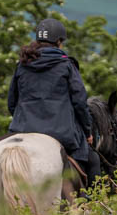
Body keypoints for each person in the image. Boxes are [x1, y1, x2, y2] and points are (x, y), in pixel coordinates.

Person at [6, 16, 101, 188]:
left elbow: (12, 103)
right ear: (58, 42)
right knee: (93, 159)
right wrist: (87, 132)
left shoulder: (22, 65)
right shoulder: (66, 65)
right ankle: (95, 205)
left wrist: (26, 120)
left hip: (23, 130)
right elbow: (80, 103)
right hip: (60, 133)